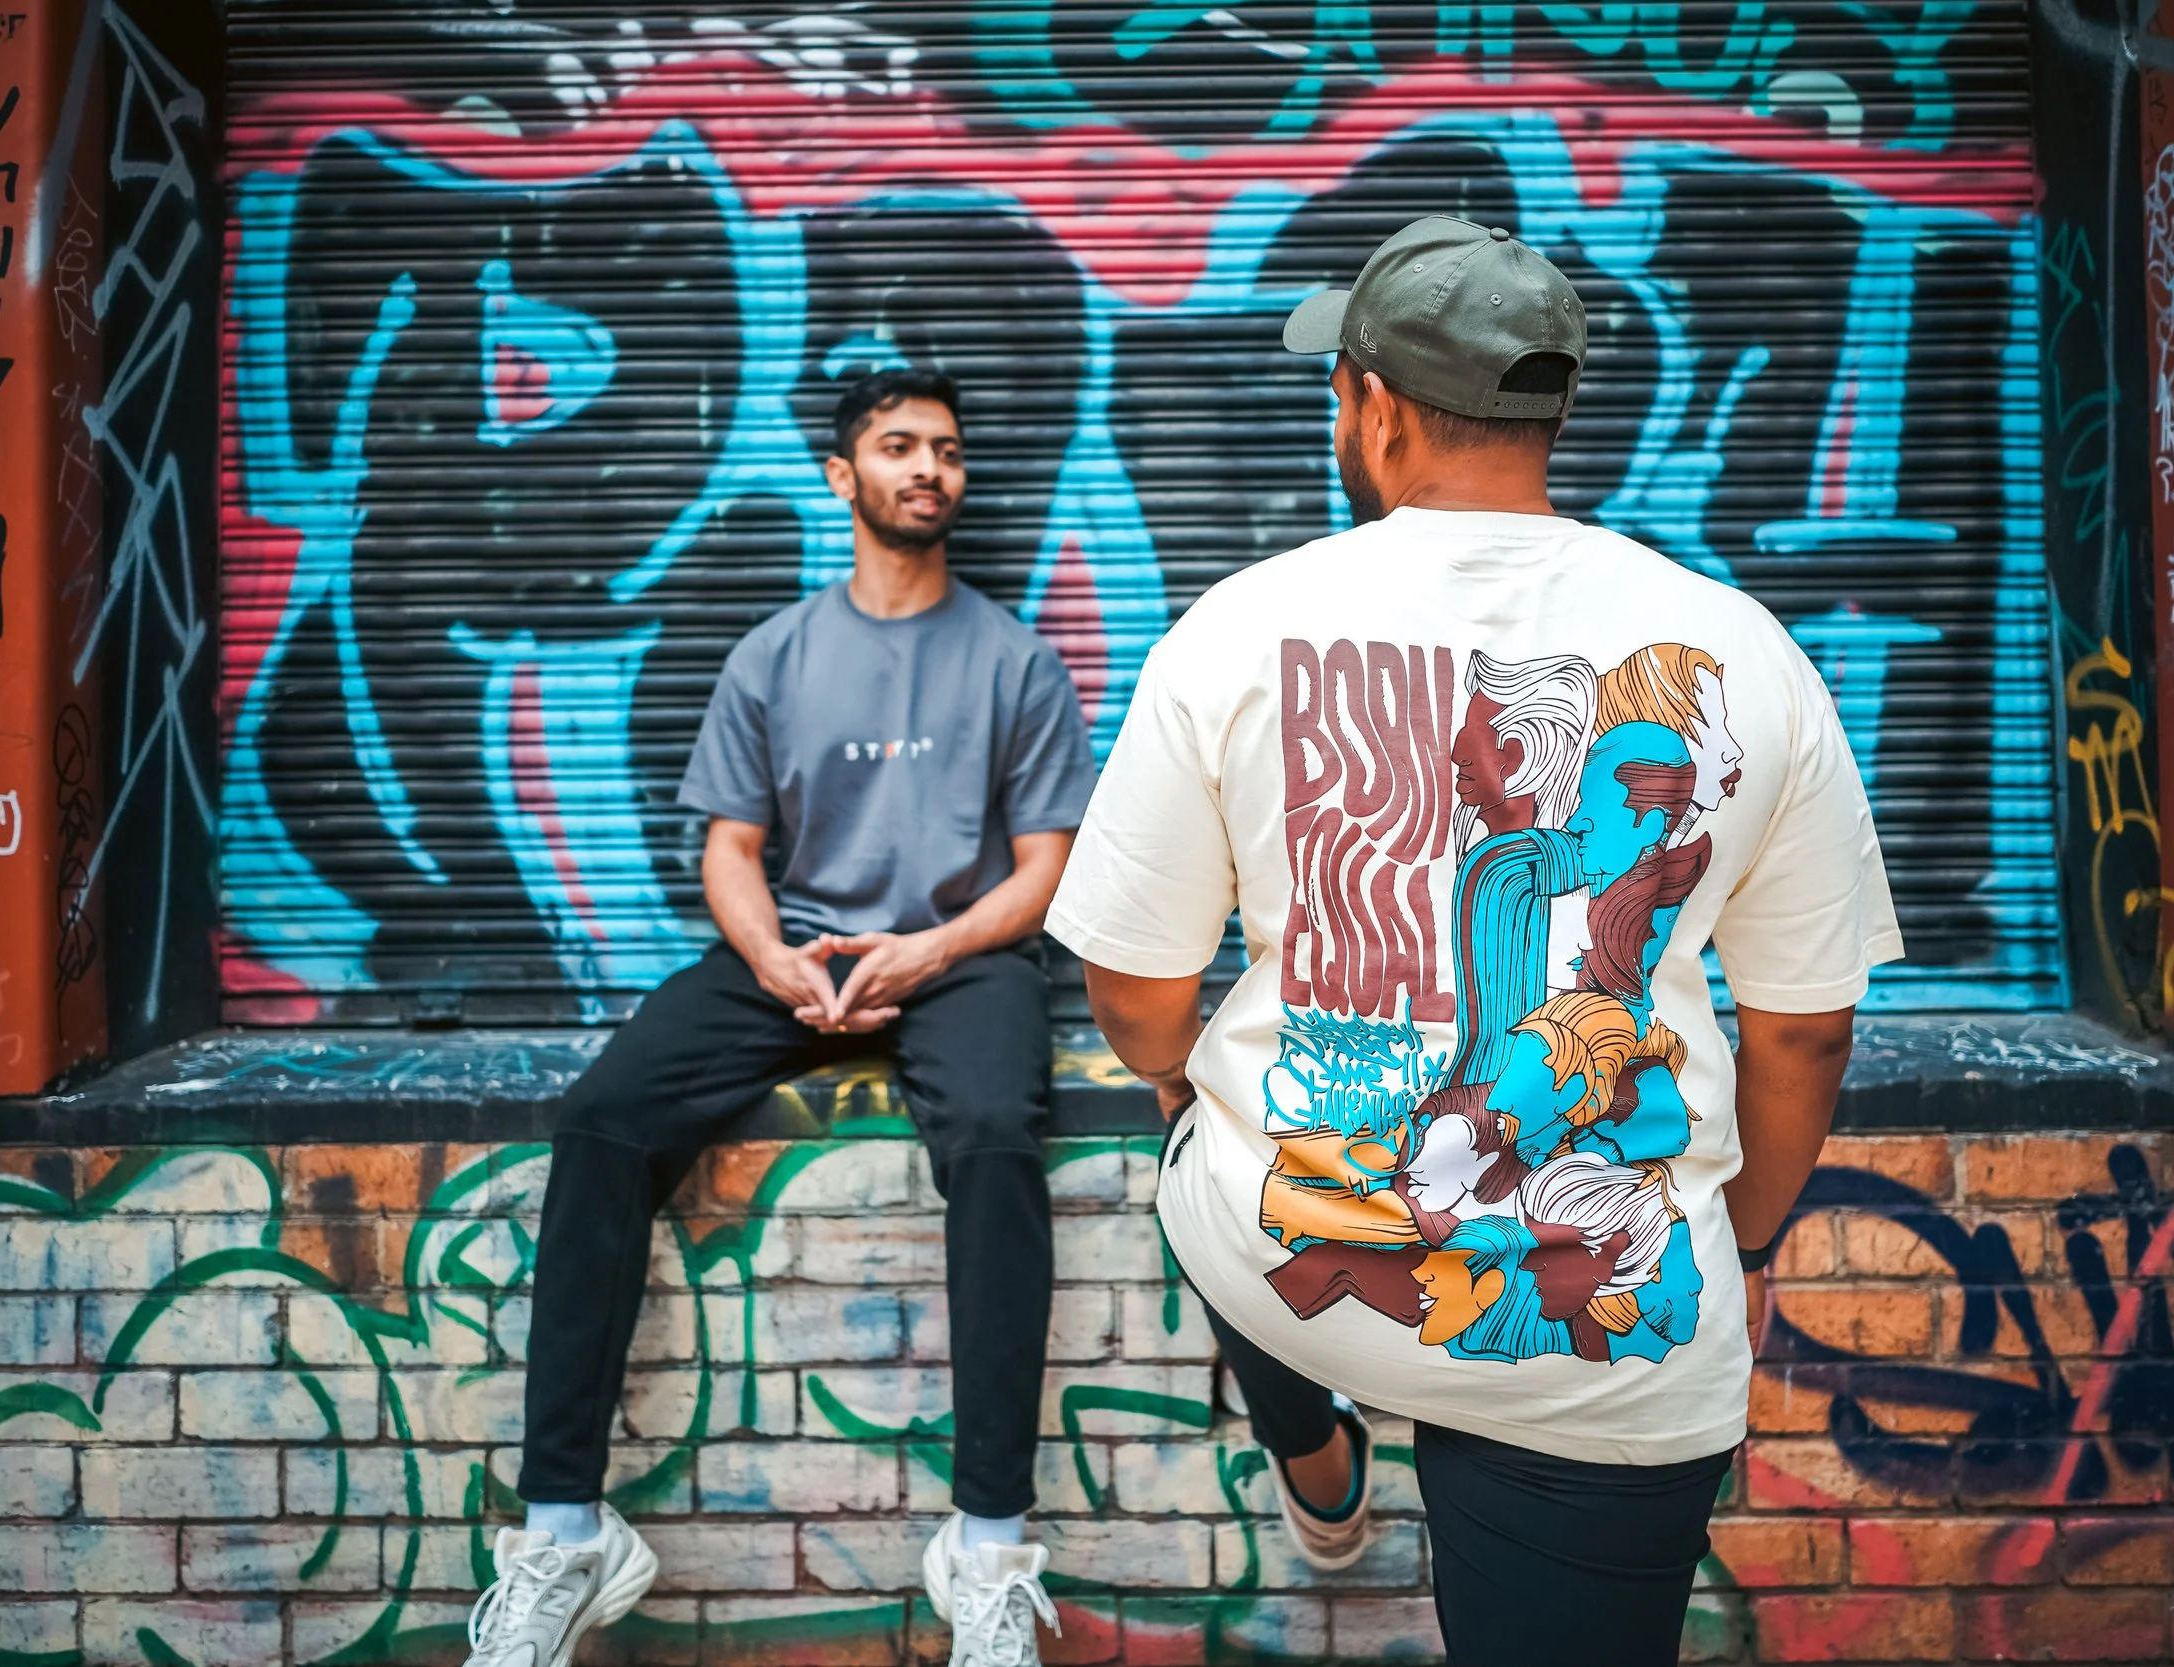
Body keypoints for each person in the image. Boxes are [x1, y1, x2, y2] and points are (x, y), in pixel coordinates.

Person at [1045, 217, 1899, 1664]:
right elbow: (1806, 1027)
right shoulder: (1746, 648)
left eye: (1338, 389)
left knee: (1211, 1164)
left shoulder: (1234, 631)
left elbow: (1133, 991)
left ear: (1373, 410)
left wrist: (1200, 1091)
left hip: (1300, 1244)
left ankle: (1319, 1456)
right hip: (1605, 1335)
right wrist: (1737, 1239)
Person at [467, 369, 1097, 1667]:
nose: (930, 469)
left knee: (991, 1131)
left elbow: (1043, 871)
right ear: (842, 475)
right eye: (900, 446)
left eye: (948, 452)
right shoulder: (777, 652)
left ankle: (987, 1549)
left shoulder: (1013, 658)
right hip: (795, 949)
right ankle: (564, 1529)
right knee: (600, 1121)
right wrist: (770, 957)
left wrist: (926, 948)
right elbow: (732, 846)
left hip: (957, 951)